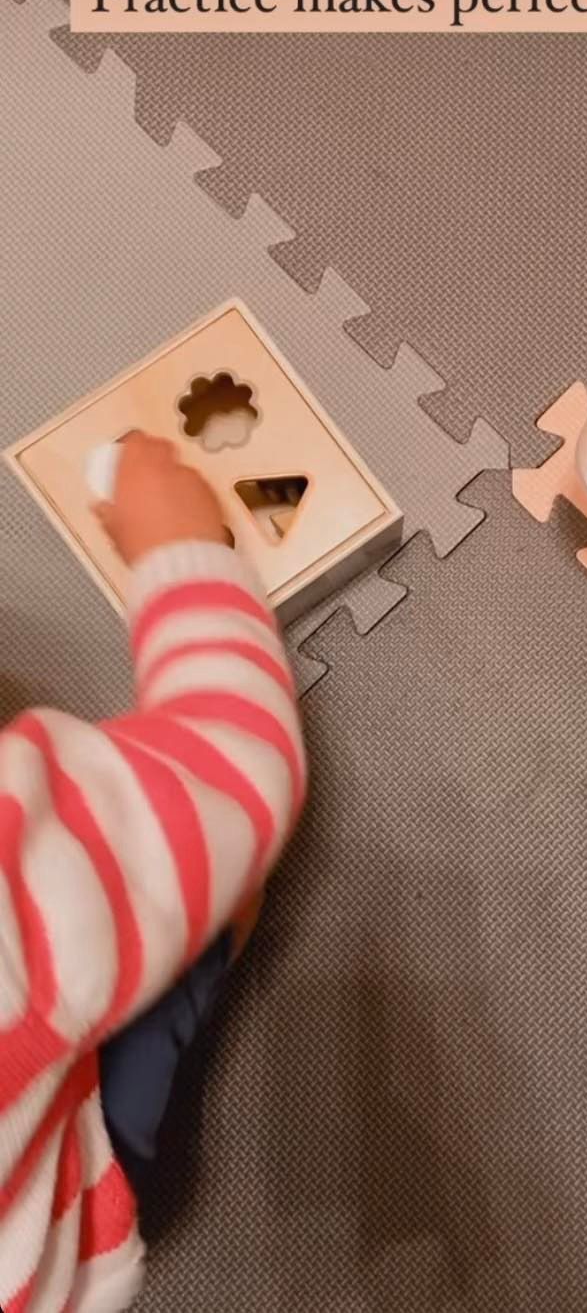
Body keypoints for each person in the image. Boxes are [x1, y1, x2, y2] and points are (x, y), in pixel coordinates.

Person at [0, 432, 307, 1311]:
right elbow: (235, 762)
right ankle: (209, 946)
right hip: (71, 1213)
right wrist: (183, 551)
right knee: (193, 910)